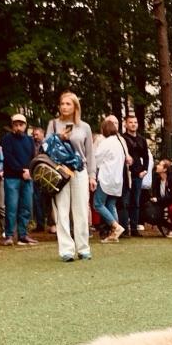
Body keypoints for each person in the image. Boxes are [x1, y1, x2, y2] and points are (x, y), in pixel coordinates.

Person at [50, 91, 95, 252]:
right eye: (62, 104)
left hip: (79, 170)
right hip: (60, 171)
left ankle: (83, 247)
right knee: (62, 210)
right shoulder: (53, 124)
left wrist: (92, 175)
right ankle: (66, 249)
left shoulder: (85, 127)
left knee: (81, 209)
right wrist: (59, 137)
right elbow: (46, 145)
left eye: (68, 104)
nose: (64, 107)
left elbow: (89, 153)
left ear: (75, 106)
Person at [0, 113, 35, 246]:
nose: (18, 127)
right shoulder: (7, 139)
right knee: (11, 207)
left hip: (27, 177)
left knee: (26, 207)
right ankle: (9, 235)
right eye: (16, 125)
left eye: (21, 124)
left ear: (25, 126)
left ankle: (23, 234)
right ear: (12, 126)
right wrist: (21, 171)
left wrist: (29, 170)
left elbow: (33, 157)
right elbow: (9, 158)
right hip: (12, 178)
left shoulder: (29, 140)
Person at [93, 116, 129, 243]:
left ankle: (116, 226)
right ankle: (115, 234)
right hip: (117, 179)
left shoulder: (105, 142)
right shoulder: (119, 143)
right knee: (111, 204)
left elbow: (97, 159)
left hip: (106, 177)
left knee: (98, 204)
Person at [121, 113, 150, 236]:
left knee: (136, 202)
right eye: (131, 122)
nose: (133, 124)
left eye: (135, 122)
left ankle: (134, 228)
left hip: (138, 175)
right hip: (125, 174)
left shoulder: (142, 139)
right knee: (125, 202)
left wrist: (145, 170)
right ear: (126, 124)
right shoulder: (122, 139)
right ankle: (124, 229)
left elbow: (146, 156)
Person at [146, 158, 172, 237]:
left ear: (165, 169)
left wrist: (158, 199)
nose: (157, 166)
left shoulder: (171, 179)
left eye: (160, 165)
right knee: (150, 208)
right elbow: (155, 194)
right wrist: (155, 199)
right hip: (162, 202)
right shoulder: (157, 179)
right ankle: (166, 226)